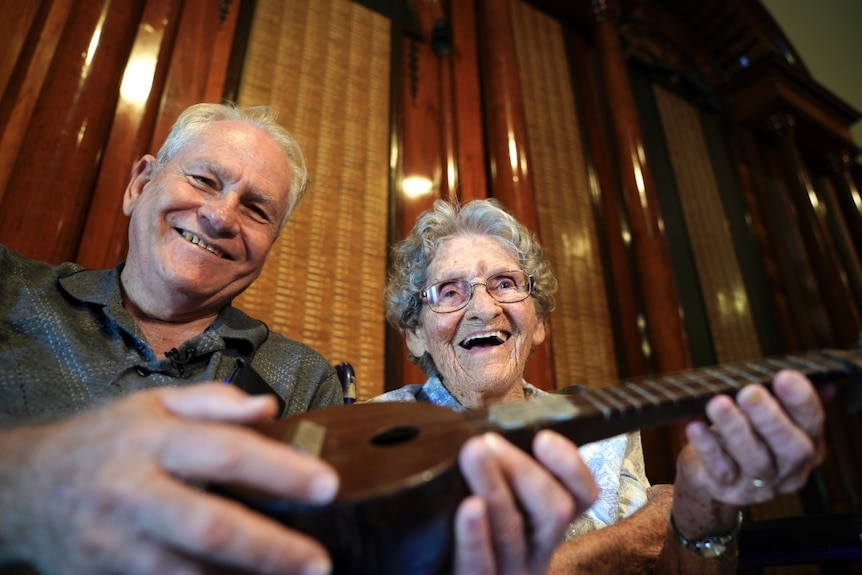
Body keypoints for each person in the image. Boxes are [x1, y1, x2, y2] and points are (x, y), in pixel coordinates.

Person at [0, 103, 599, 575]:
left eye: (257, 209)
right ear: (140, 184)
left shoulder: (300, 379)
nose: (221, 216)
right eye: (205, 180)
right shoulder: (11, 291)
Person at [373, 198, 827, 574]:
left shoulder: (606, 429)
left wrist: (701, 500)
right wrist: (634, 534)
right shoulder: (372, 434)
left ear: (538, 324)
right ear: (414, 331)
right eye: (450, 291)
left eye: (505, 283)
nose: (483, 308)